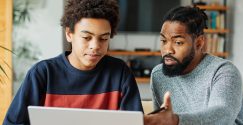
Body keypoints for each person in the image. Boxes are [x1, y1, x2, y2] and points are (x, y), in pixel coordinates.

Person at [4, 0, 143, 124]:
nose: (95, 46)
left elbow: (134, 121)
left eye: (103, 39)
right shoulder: (43, 73)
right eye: (87, 37)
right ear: (69, 34)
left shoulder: (120, 73)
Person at [144, 6, 243, 125]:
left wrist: (176, 120)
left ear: (199, 43)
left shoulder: (224, 72)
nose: (167, 50)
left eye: (178, 42)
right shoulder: (159, 75)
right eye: (163, 41)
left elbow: (222, 116)